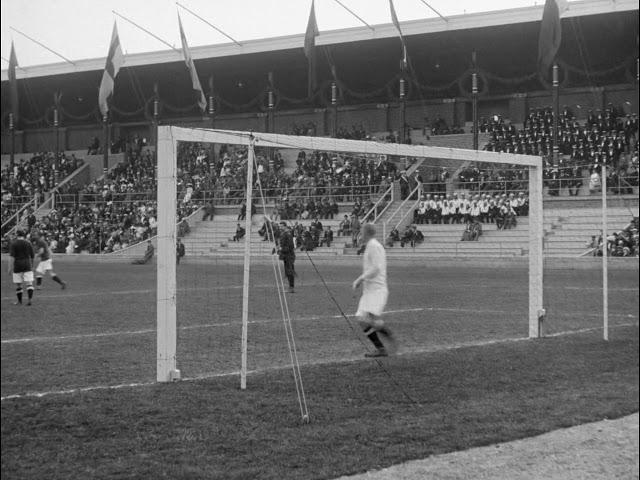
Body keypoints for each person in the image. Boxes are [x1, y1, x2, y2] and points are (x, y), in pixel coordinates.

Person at [352, 223, 396, 357]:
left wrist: (360, 278)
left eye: (361, 231)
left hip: (377, 289)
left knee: (365, 319)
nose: (360, 234)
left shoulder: (374, 246)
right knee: (362, 319)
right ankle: (381, 348)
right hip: (370, 290)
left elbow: (376, 268)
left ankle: (386, 334)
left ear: (366, 232)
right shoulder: (371, 246)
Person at [8, 230, 35, 305]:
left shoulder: (14, 244)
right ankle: (30, 300)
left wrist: (10, 268)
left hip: (17, 265)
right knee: (29, 283)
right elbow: (32, 256)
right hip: (27, 265)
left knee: (19, 284)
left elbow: (11, 257)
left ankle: (20, 301)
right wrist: (32, 265)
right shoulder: (28, 243)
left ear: (17, 235)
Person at [278, 222, 296, 293]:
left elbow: (290, 246)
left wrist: (281, 249)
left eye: (281, 226)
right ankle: (290, 287)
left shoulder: (288, 234)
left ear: (285, 226)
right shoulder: (284, 234)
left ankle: (291, 288)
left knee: (290, 271)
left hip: (289, 255)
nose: (280, 228)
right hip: (286, 255)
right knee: (288, 271)